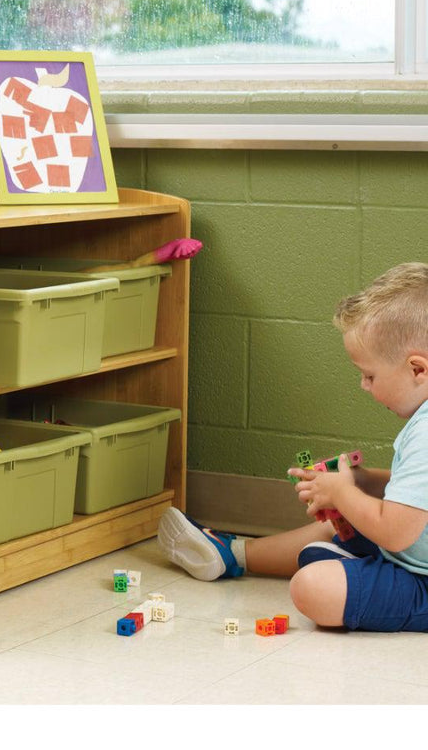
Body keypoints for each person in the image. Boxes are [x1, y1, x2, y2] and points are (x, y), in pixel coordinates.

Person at [159, 261, 428, 632]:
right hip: (411, 554)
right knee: (340, 527)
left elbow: (396, 531)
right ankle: (233, 554)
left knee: (313, 588)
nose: (363, 386)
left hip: (421, 579)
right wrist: (363, 481)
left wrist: (343, 493)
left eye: (369, 375)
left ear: (418, 370)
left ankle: (330, 563)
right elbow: (415, 499)